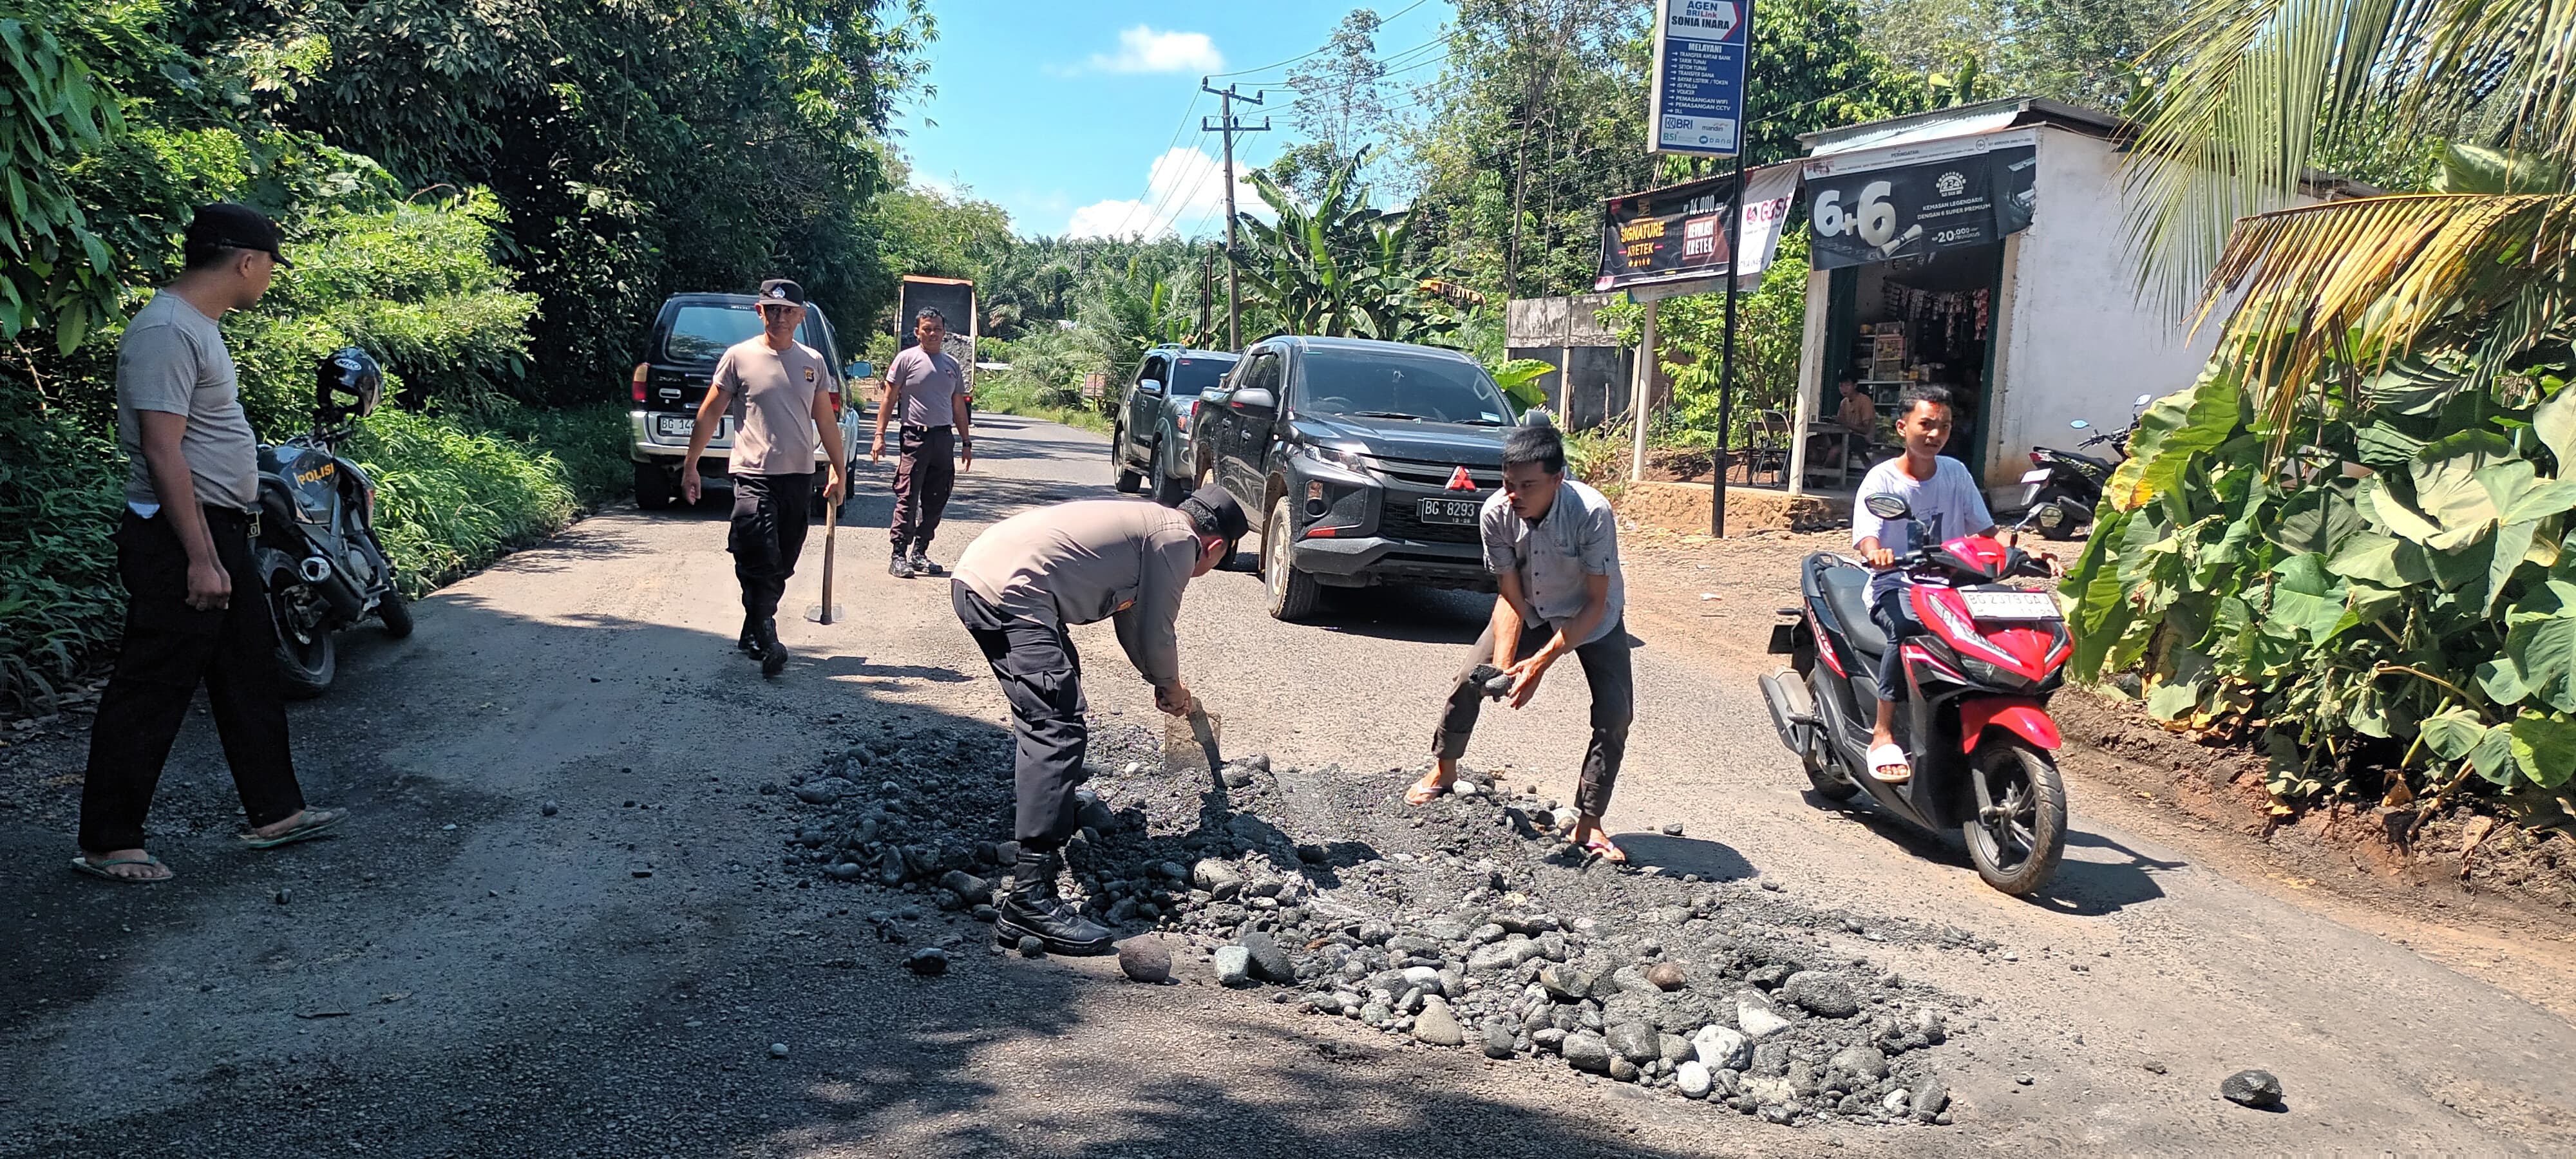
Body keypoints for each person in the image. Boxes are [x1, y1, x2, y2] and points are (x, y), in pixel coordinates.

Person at [75, 203, 346, 883]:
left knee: (247, 671)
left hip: (219, 529)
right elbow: (163, 452)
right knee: (153, 684)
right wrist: (199, 555)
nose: (270, 280)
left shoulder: (196, 326)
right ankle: (109, 841)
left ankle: (276, 812)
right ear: (246, 262)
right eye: (271, 267)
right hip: (179, 536)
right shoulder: (166, 330)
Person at [949, 485, 1246, 954]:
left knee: (1053, 704)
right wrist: (1171, 686)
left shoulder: (1148, 524)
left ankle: (1050, 811)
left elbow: (1132, 620)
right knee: (1057, 726)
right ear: (1215, 547)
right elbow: (1157, 627)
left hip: (982, 578)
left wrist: (1158, 679)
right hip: (1014, 596)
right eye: (1217, 562)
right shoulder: (1178, 540)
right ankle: (1030, 896)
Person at [1406, 420, 1635, 864]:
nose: (1516, 495)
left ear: (1557, 479)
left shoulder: (1591, 512)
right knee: (1467, 678)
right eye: (1509, 484)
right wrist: (1505, 668)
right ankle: (1444, 769)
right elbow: (1510, 595)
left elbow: (1594, 602)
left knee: (1616, 712)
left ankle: (1589, 822)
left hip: (1592, 618)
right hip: (1530, 605)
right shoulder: (1495, 512)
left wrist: (1541, 664)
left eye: (1528, 486)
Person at [1852, 384, 2043, 782]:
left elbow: (1987, 531)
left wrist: (2027, 552)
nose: (1935, 434)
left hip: (1954, 590)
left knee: (2004, 630)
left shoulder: (1956, 473)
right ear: (1902, 427)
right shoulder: (1880, 480)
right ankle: (1883, 733)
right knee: (1906, 633)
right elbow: (1868, 535)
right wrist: (1876, 552)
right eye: (1926, 424)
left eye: (1944, 426)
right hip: (1897, 585)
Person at [681, 278, 848, 677]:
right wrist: (691, 465)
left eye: (788, 310)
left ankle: (753, 623)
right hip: (753, 474)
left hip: (798, 477)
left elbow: (825, 419)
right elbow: (710, 413)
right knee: (757, 552)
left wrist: (839, 471)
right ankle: (768, 634)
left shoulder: (813, 363)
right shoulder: (739, 358)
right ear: (760, 312)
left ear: (801, 316)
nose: (780, 317)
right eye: (772, 310)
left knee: (783, 561)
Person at [874, 307, 972, 579]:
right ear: (917, 331)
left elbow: (958, 406)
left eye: (937, 329)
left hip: (943, 439)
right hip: (915, 437)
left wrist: (966, 442)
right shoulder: (906, 359)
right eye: (926, 329)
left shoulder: (951, 365)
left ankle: (920, 552)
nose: (932, 334)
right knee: (908, 496)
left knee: (937, 497)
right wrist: (879, 435)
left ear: (944, 332)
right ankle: (898, 555)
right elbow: (889, 398)